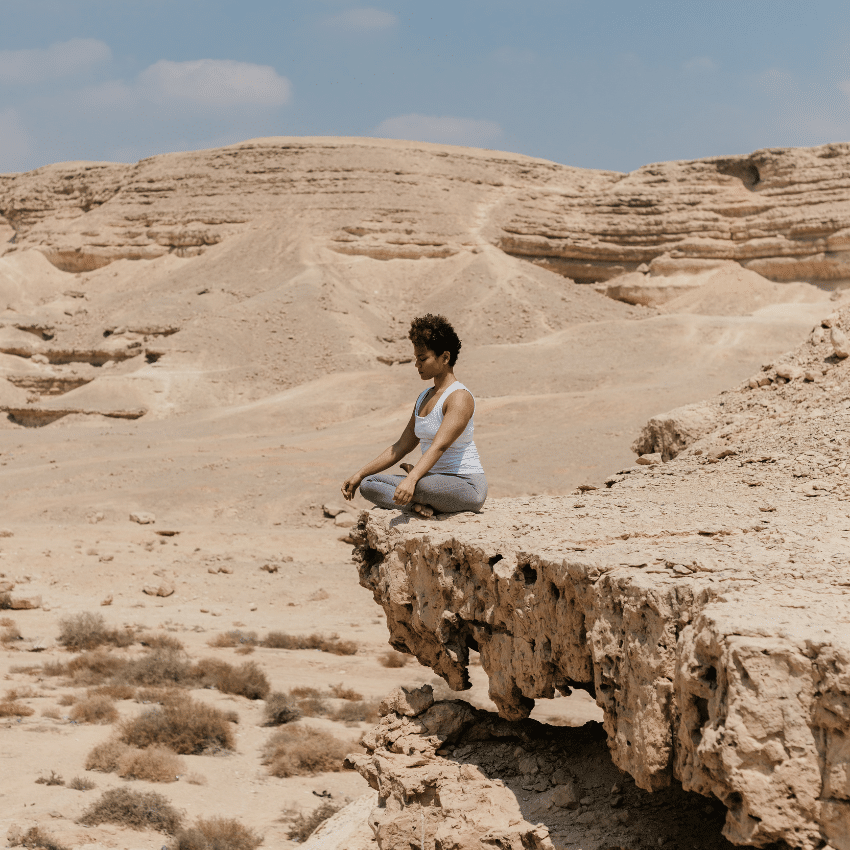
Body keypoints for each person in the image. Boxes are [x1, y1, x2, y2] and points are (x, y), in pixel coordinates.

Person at [341, 314, 487, 517]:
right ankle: (418, 506)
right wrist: (360, 473)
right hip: (429, 479)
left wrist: (412, 478)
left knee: (422, 487)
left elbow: (440, 446)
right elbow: (401, 446)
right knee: (369, 484)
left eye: (422, 358)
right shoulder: (423, 398)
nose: (416, 364)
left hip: (466, 485)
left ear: (445, 357)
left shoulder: (459, 397)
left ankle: (419, 491)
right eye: (416, 358)